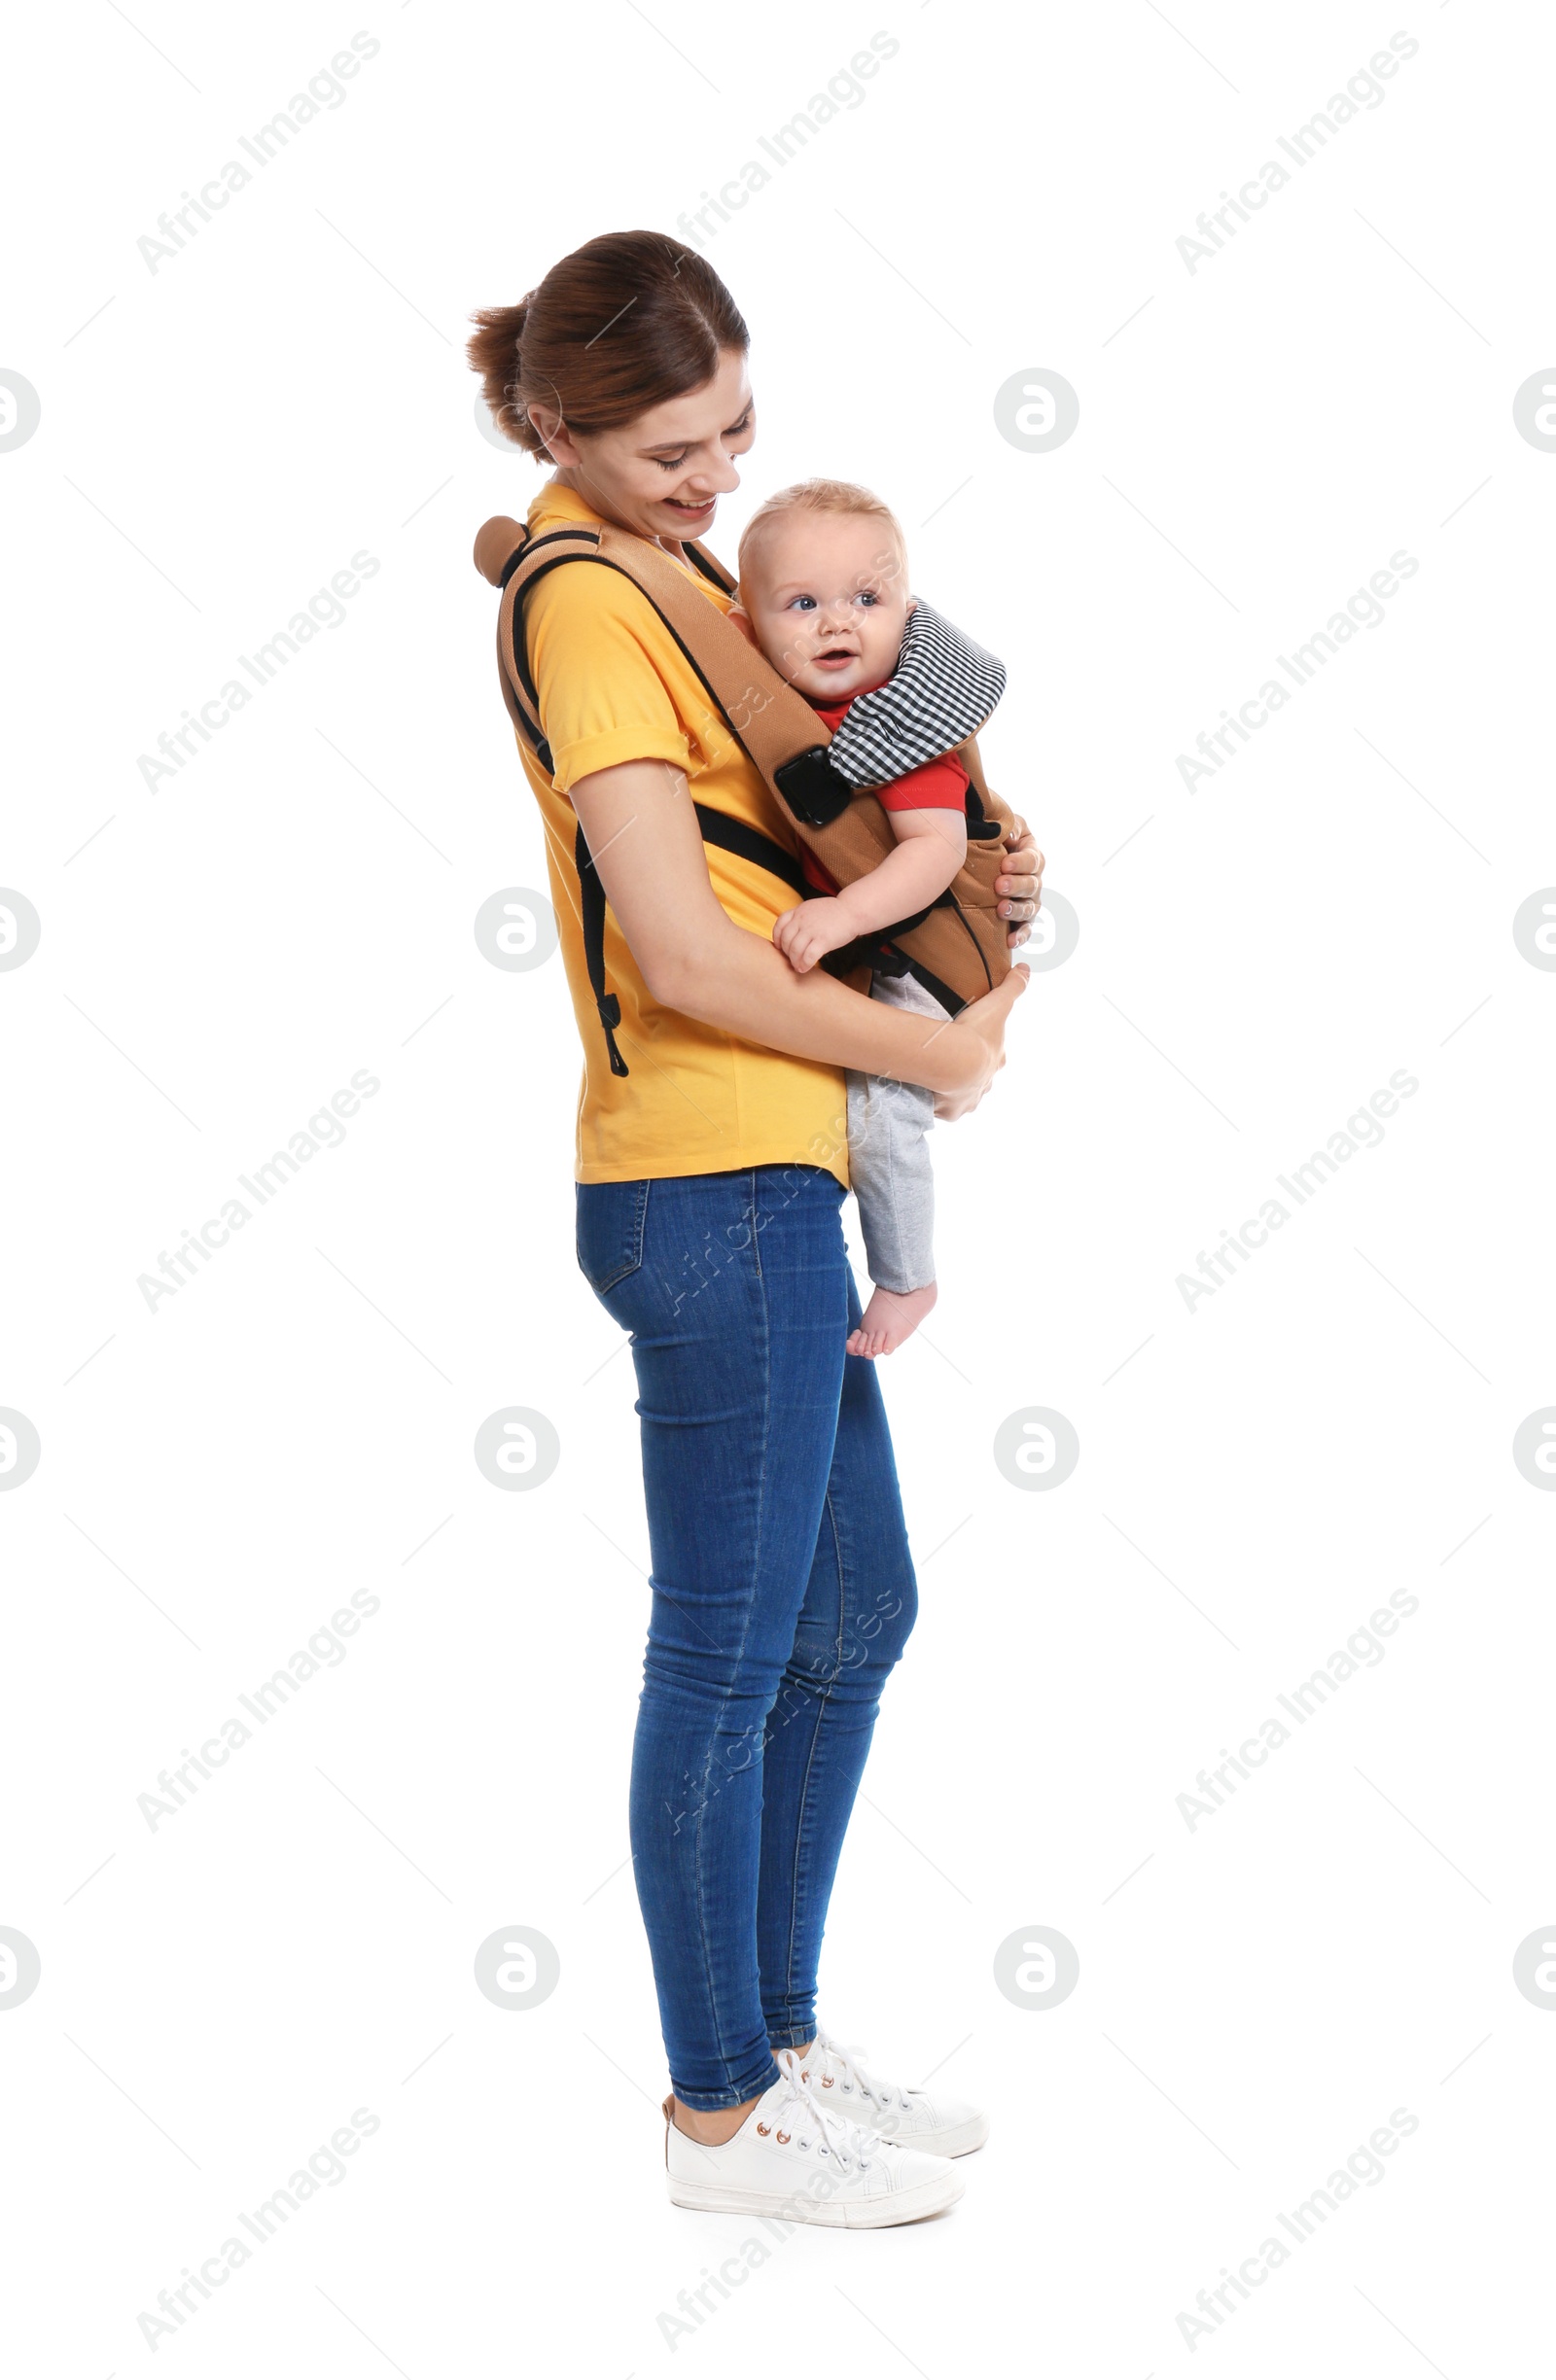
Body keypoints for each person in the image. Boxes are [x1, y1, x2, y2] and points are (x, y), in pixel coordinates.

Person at [468, 229, 1043, 2226]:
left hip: (779, 1166)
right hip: (703, 1169)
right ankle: (716, 2112)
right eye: (670, 446)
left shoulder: (678, 577)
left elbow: (824, 788)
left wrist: (956, 863)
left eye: (734, 434)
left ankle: (777, 2042)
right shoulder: (581, 601)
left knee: (851, 1614)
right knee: (718, 1657)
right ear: (556, 425)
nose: (716, 476)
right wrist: (946, 1058)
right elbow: (684, 954)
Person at [731, 475, 989, 1359]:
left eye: (866, 600)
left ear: (906, 611)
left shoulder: (899, 724)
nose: (838, 623)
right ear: (746, 625)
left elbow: (935, 853)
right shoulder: (800, 712)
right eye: (803, 603)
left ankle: (909, 1276)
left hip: (928, 951)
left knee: (884, 1115)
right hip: (880, 941)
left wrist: (843, 916)